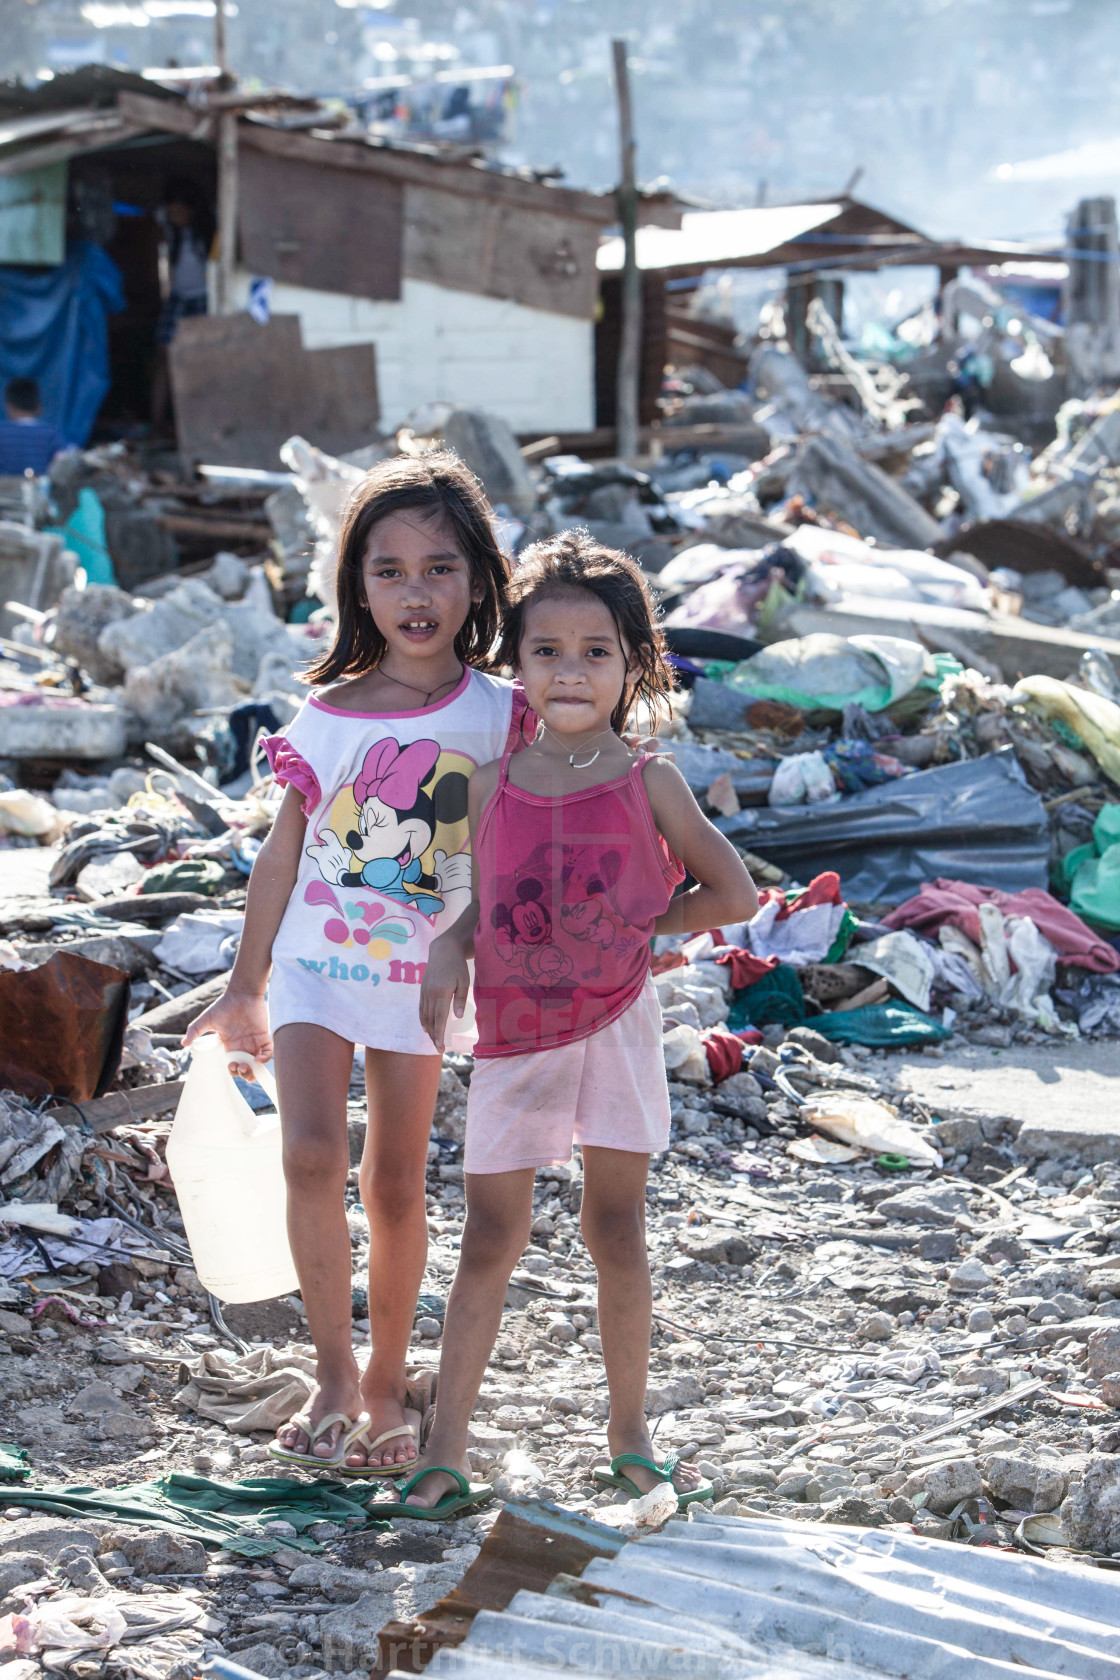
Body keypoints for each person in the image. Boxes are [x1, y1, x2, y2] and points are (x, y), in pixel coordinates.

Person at [391, 530, 759, 1520]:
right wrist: (441, 953)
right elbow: (467, 900)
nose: (569, 670)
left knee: (616, 1228)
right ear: (515, 663)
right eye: (546, 650)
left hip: (616, 1028)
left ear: (632, 666)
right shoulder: (485, 781)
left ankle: (630, 1435)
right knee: (488, 1238)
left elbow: (732, 892)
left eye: (596, 651)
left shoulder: (651, 782)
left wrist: (649, 922)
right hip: (514, 1035)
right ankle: (447, 1446)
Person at [184, 453, 530, 1474]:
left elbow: (523, 848)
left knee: (393, 1181)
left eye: (437, 568)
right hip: (309, 968)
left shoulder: (499, 712)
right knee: (307, 1156)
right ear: (356, 585)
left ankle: (388, 1380)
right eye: (388, 571)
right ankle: (333, 1370)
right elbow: (283, 855)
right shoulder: (329, 712)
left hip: (422, 979)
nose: (414, 593)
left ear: (476, 579)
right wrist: (245, 982)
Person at [151, 178, 214, 434]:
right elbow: (157, 213)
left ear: (193, 210)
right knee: (163, 358)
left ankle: (193, 425)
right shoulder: (171, 231)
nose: (174, 215)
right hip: (178, 299)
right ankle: (157, 423)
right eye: (172, 210)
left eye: (179, 210)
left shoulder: (208, 234)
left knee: (197, 362)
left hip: (202, 299)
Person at [0, 378, 66, 477]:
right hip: (38, 490)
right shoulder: (50, 433)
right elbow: (66, 460)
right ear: (38, 407)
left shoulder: (2, 432)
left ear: (8, 406)